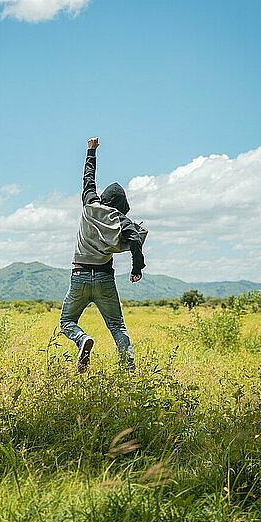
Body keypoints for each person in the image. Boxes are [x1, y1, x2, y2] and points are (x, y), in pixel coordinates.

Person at [59, 137, 148, 374]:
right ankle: (129, 368)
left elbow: (88, 180)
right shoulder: (121, 221)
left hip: (79, 275)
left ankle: (82, 339)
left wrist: (91, 151)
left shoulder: (89, 206)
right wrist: (136, 268)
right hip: (104, 278)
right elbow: (136, 239)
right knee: (117, 325)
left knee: (66, 323)